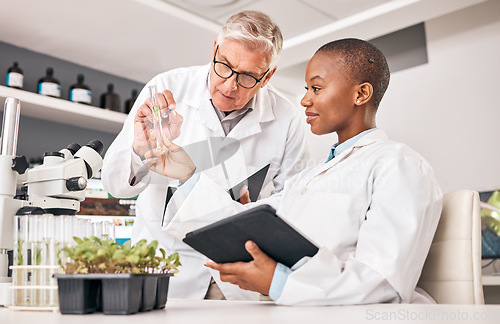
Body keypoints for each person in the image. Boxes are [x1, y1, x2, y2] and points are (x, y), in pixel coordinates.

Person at [145, 38, 443, 306]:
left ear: (361, 93)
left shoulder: (398, 164)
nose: (304, 100)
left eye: (316, 88)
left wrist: (278, 282)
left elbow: (384, 283)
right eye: (306, 89)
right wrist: (187, 175)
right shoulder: (308, 178)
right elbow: (240, 223)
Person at [101, 10, 309, 300]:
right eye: (224, 66)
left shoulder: (287, 118)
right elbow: (114, 184)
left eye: (248, 76)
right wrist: (140, 151)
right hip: (166, 272)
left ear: (268, 75)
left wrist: (244, 213)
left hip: (237, 282)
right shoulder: (164, 88)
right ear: (214, 49)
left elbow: (293, 206)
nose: (229, 85)